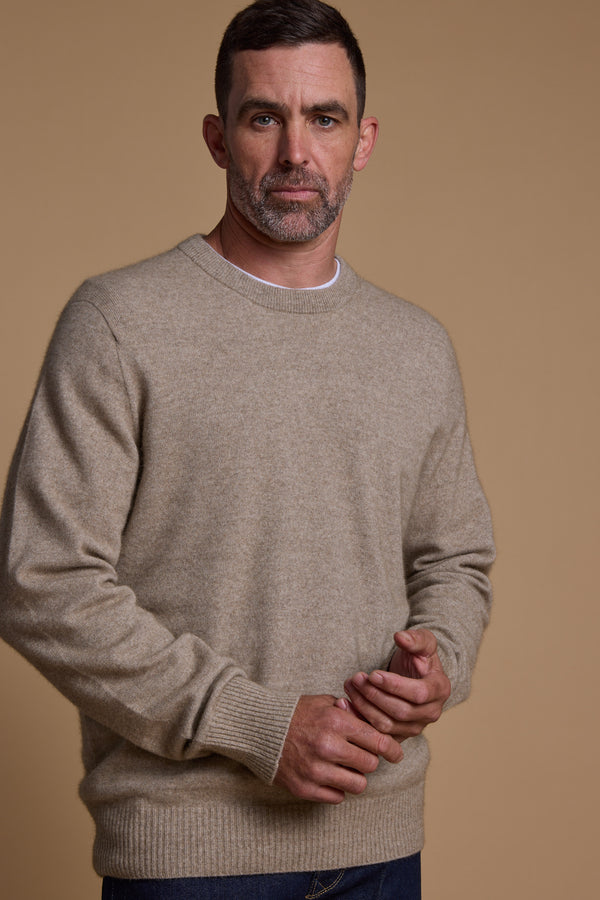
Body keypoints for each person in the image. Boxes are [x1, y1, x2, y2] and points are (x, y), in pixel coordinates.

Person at [0, 1, 494, 897]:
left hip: (380, 846)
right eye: (265, 117)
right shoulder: (120, 322)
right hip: (191, 859)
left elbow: (455, 557)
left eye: (325, 118)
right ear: (218, 137)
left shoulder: (416, 347)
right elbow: (41, 581)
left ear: (365, 139)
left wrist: (440, 660)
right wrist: (257, 723)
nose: (297, 153)